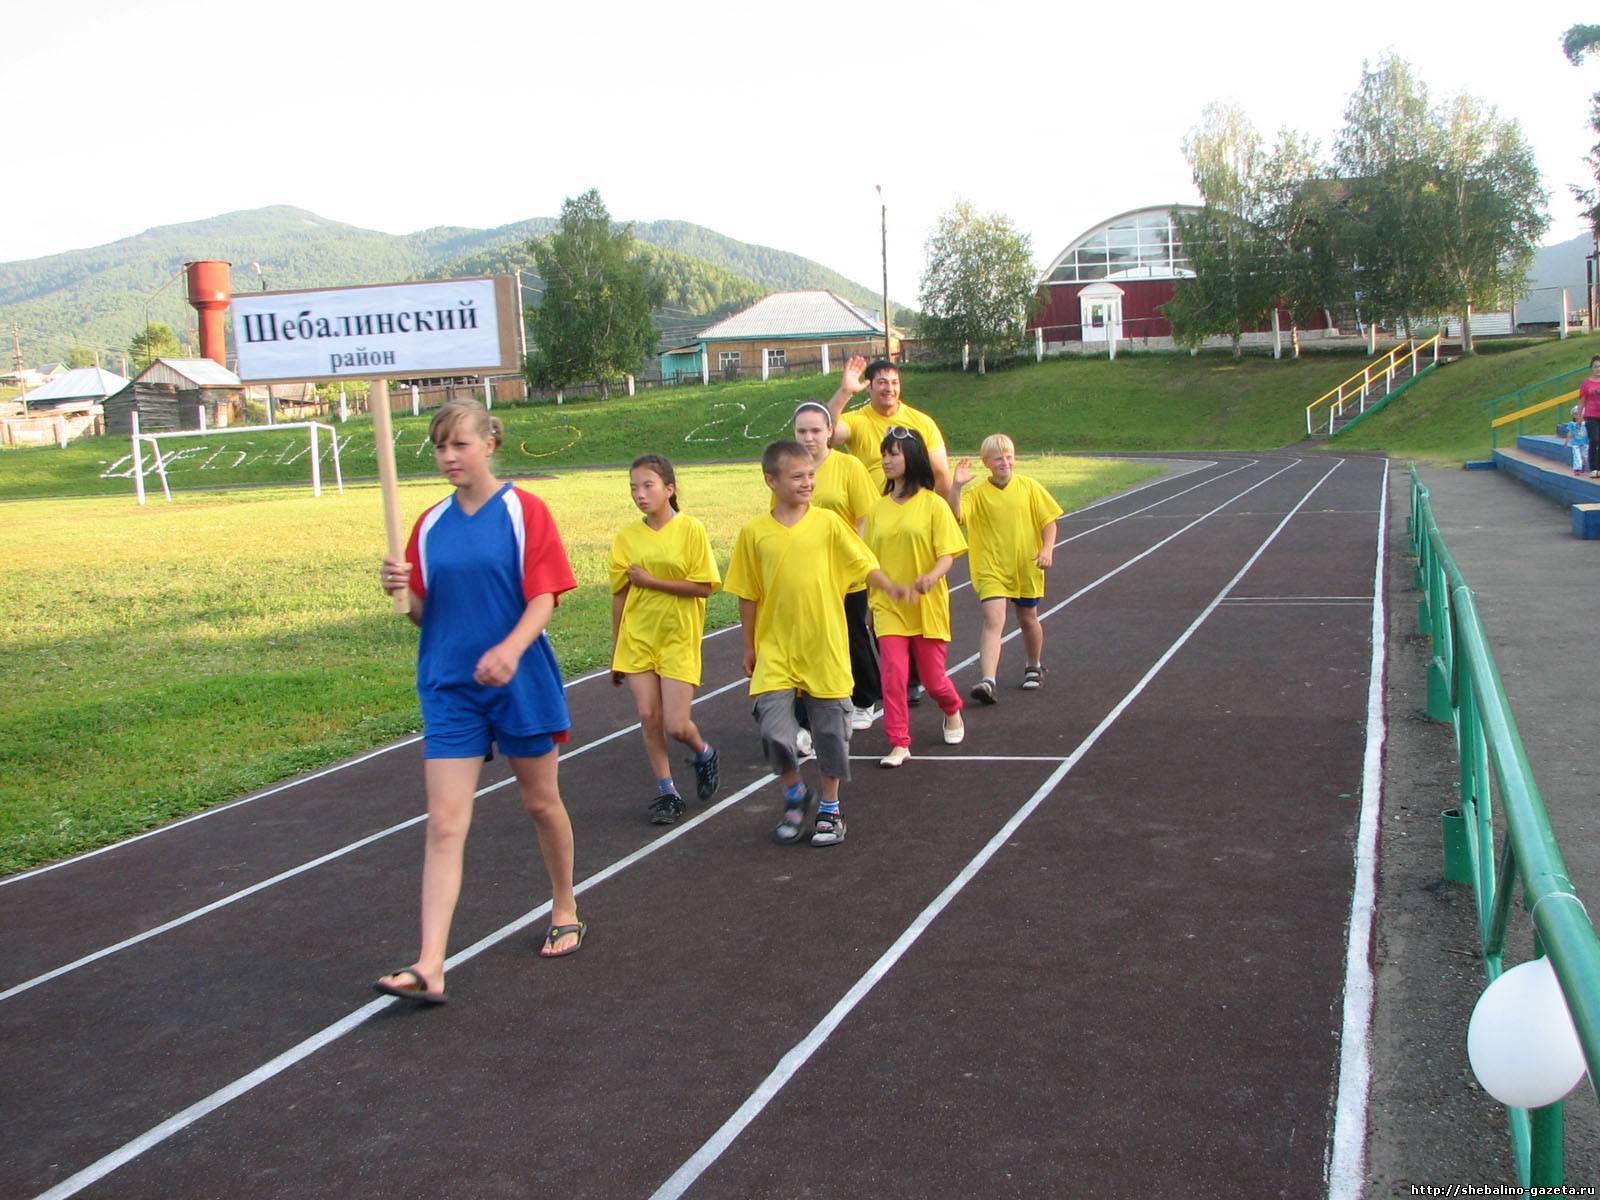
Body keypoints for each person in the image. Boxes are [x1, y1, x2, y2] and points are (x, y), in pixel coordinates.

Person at [373, 398, 583, 1006]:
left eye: (458, 444)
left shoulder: (524, 511)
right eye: (439, 447)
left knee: (540, 803)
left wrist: (512, 651)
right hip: (449, 686)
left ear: (490, 442)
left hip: (519, 680)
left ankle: (564, 902)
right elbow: (422, 614)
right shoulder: (429, 526)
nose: (447, 457)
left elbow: (545, 597)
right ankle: (430, 963)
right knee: (444, 822)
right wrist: (401, 593)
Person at [724, 439, 907, 846]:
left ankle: (829, 807)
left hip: (824, 646)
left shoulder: (827, 523)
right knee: (774, 732)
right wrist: (749, 646)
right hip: (776, 649)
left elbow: (864, 563)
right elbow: (747, 593)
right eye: (797, 477)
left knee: (829, 734)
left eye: (811, 475)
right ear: (771, 481)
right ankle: (794, 792)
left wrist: (889, 587)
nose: (808, 483)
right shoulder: (755, 534)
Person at [827, 355, 949, 706]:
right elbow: (827, 434)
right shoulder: (859, 420)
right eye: (881, 382)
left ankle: (914, 676)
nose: (889, 388)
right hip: (872, 521)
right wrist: (844, 393)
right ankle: (893, 672)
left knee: (913, 599)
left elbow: (939, 470)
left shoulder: (920, 421)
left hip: (914, 518)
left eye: (894, 382)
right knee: (877, 603)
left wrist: (938, 511)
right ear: (871, 386)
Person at [610, 454, 722, 825]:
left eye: (648, 486)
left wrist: (653, 581)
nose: (639, 494)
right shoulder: (626, 539)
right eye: (633, 488)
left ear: (669, 490)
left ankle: (703, 751)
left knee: (676, 724)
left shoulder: (691, 530)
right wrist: (615, 651)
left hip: (677, 636)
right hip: (638, 637)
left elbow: (704, 587)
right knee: (648, 716)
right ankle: (667, 791)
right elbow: (621, 596)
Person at [864, 426, 968, 768]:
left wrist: (931, 577)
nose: (886, 460)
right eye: (884, 454)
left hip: (926, 604)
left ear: (912, 458)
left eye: (894, 453)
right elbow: (868, 560)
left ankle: (952, 708)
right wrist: (869, 601)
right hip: (888, 606)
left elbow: (949, 553)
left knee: (934, 680)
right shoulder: (877, 509)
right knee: (893, 675)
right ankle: (898, 742)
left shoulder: (933, 505)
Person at [949, 434, 1064, 701]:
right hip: (992, 568)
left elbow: (1049, 522)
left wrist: (1047, 550)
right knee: (993, 620)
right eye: (998, 458)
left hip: (1026, 564)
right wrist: (956, 486)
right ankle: (988, 680)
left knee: (1028, 619)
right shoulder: (977, 494)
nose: (1005, 462)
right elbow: (956, 515)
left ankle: (1033, 664)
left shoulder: (1029, 487)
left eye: (1009, 456)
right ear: (986, 462)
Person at [789, 401, 881, 731]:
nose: (809, 437)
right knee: (810, 639)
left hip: (844, 572)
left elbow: (866, 516)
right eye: (802, 431)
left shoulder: (848, 467)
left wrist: (851, 560)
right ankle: (813, 706)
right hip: (805, 573)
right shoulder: (790, 470)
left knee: (851, 633)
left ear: (830, 432)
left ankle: (865, 697)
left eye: (816, 430)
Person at [1581, 356, 1600, 479]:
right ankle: (1594, 468)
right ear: (1591, 368)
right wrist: (1578, 417)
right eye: (1596, 366)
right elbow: (1582, 400)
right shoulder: (1586, 383)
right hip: (1591, 416)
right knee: (1594, 440)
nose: (1598, 368)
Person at [1564, 405, 1590, 476]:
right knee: (1576, 455)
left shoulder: (1586, 424)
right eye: (1576, 414)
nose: (1579, 416)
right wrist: (1566, 441)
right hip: (1575, 443)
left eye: (1581, 414)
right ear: (1574, 415)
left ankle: (1582, 465)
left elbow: (1589, 432)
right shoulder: (1572, 424)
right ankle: (1577, 469)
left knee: (1585, 456)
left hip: (1585, 443)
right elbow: (1569, 433)